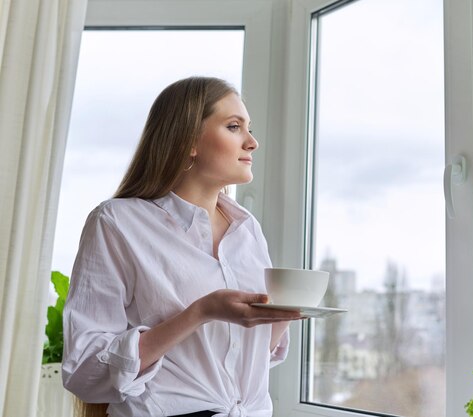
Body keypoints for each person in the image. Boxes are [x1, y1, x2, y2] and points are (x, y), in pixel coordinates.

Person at [62, 76, 302, 417]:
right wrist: (201, 312)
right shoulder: (116, 223)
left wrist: (286, 313)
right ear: (189, 140)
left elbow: (248, 358)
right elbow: (83, 367)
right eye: (234, 127)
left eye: (249, 128)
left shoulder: (247, 231)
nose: (252, 142)